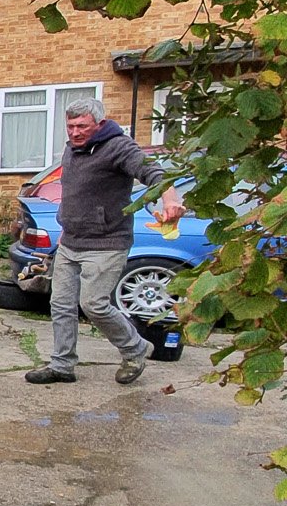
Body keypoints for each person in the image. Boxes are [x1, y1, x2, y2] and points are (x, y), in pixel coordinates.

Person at [26, 94, 185, 387]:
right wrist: (66, 226)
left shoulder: (119, 147)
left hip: (107, 242)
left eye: (82, 126)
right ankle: (62, 365)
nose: (75, 132)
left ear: (99, 123)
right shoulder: (72, 149)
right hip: (71, 241)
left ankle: (135, 349)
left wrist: (170, 198)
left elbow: (152, 171)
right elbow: (76, 193)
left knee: (94, 304)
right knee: (60, 304)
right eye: (71, 126)